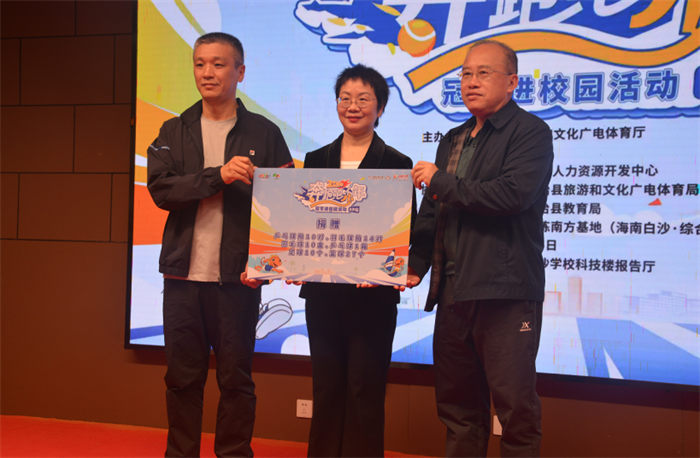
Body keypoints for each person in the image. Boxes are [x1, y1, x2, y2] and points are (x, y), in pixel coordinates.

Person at [147, 32, 293, 457]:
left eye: (218, 64)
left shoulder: (264, 132)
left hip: (237, 280)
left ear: (240, 72)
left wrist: (266, 265)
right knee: (181, 380)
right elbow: (161, 190)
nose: (207, 73)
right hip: (182, 279)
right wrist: (219, 175)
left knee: (236, 381)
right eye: (200, 64)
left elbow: (286, 205)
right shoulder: (174, 129)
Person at [407, 40, 553, 456]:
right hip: (454, 292)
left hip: (505, 292)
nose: (471, 82)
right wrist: (414, 264)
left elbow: (512, 195)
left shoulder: (531, 132)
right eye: (466, 74)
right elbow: (433, 211)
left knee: (515, 411)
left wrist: (440, 181)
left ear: (512, 82)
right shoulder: (453, 138)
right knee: (458, 409)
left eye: (483, 73)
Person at [298, 64, 415, 457]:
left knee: (366, 388)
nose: (353, 106)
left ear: (379, 108)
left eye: (363, 99)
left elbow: (405, 227)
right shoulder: (316, 158)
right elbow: (303, 222)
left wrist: (386, 269)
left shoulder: (397, 163)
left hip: (373, 296)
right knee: (326, 386)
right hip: (323, 295)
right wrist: (295, 263)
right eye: (345, 98)